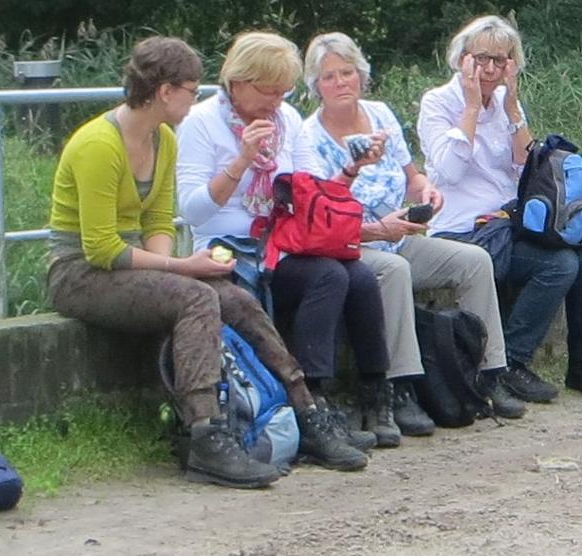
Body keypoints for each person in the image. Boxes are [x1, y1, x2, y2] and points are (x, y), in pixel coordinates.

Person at [46, 36, 367, 490]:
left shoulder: (162, 140)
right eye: (191, 89)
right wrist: (178, 270)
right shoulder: (98, 144)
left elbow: (158, 220)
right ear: (164, 92)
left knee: (232, 296)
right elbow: (100, 248)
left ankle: (305, 408)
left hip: (128, 263)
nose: (197, 98)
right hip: (78, 272)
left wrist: (167, 268)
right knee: (196, 296)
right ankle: (206, 433)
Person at [176, 31, 401, 448]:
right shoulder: (201, 124)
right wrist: (242, 160)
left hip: (282, 241)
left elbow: (311, 193)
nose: (275, 102)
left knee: (361, 276)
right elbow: (193, 211)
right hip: (229, 245)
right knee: (328, 276)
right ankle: (313, 403)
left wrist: (351, 170)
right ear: (238, 82)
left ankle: (376, 392)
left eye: (283, 93)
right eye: (268, 92)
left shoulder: (288, 122)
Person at [298, 31, 525, 421]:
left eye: (347, 73)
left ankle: (488, 373)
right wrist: (376, 229)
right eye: (329, 77)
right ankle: (400, 386)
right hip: (351, 243)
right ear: (315, 86)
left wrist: (426, 191)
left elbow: (411, 176)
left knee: (473, 261)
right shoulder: (308, 138)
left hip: (398, 233)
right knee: (394, 269)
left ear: (361, 76)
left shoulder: (380, 115)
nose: (340, 83)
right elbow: (319, 219)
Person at [416, 15, 582, 403]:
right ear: (463, 59)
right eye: (481, 59)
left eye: (501, 60)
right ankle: (509, 362)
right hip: (464, 226)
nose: (490, 69)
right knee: (557, 265)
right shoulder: (438, 103)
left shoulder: (507, 104)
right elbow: (450, 170)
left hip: (507, 222)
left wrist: (511, 110)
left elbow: (527, 169)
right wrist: (473, 108)